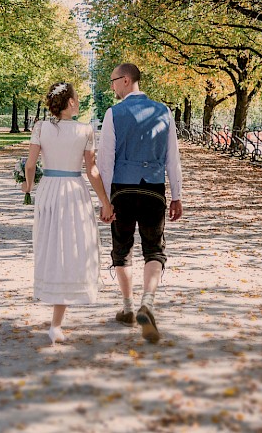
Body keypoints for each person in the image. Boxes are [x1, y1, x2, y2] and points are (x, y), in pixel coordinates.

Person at [97, 63, 183, 343]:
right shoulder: (164, 111)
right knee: (154, 250)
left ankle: (128, 307)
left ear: (125, 80)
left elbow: (105, 160)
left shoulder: (113, 114)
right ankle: (148, 301)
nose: (111, 87)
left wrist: (106, 200)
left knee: (122, 249)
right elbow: (173, 157)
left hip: (122, 188)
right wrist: (177, 195)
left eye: (113, 81)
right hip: (154, 189)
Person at [21, 81, 113, 344]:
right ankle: (57, 321)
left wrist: (28, 187)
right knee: (73, 247)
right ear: (70, 102)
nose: (79, 101)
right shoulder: (85, 130)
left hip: (49, 190)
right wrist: (105, 202)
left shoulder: (40, 128)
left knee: (51, 246)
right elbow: (91, 171)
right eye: (77, 98)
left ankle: (55, 313)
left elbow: (30, 165)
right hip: (73, 191)